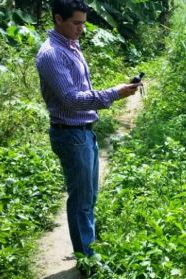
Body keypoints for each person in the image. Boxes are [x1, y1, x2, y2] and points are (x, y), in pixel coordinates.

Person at [36, 0, 140, 258]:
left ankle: (88, 246)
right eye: (76, 23)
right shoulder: (51, 54)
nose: (81, 28)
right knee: (81, 200)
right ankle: (87, 260)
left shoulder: (71, 46)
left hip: (83, 131)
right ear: (58, 19)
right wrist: (113, 94)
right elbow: (71, 99)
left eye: (83, 23)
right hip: (70, 133)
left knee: (89, 196)